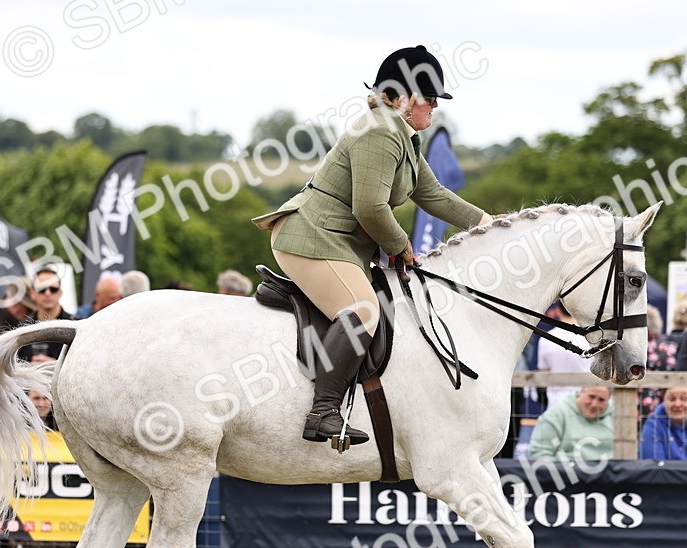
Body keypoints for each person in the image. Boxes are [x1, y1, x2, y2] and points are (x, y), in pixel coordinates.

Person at [252, 45, 493, 447]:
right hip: (311, 238)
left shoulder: (403, 135)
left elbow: (435, 196)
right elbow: (369, 208)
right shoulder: (380, 132)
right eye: (429, 98)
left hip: (336, 242)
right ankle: (323, 411)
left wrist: (493, 225)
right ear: (403, 97)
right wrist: (402, 246)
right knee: (362, 310)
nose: (435, 106)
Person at [528, 386, 613, 463]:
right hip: (568, 475)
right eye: (591, 397)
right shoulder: (554, 416)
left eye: (601, 400)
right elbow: (539, 455)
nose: (594, 404)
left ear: (609, 399)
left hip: (609, 475)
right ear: (581, 392)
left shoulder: (619, 416)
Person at [18, 267, 77, 363]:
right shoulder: (22, 329)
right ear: (33, 293)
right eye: (42, 289)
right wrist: (29, 368)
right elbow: (15, 368)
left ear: (60, 293)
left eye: (53, 289)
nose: (48, 293)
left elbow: (83, 364)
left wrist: (56, 365)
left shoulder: (76, 326)